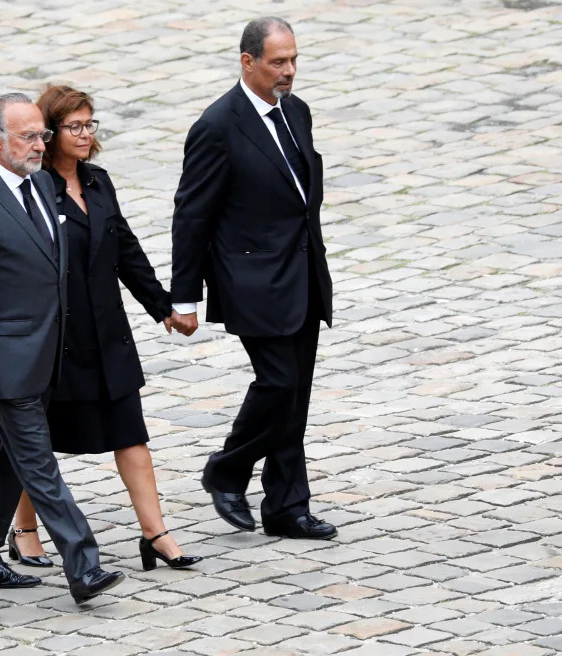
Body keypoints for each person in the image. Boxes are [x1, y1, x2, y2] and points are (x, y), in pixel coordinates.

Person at [6, 85, 202, 572]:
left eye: (90, 124)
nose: (85, 134)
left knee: (130, 434)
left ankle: (156, 534)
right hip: (56, 341)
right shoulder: (33, 190)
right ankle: (25, 529)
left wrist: (164, 307)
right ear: (49, 134)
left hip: (107, 333)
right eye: (74, 126)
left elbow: (126, 251)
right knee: (39, 442)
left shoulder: (98, 182)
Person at [0, 92, 125, 603]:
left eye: (42, 134)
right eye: (29, 136)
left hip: (49, 354)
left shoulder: (46, 183)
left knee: (5, 463)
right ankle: (84, 566)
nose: (40, 144)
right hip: (6, 363)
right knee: (38, 465)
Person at [170, 17, 338, 540]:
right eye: (277, 62)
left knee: (297, 393)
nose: (288, 71)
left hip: (303, 273)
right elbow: (191, 214)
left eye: (293, 59)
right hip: (251, 279)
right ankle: (227, 468)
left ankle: (287, 506)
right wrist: (184, 294)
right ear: (248, 62)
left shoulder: (296, 111)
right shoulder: (217, 126)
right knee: (279, 383)